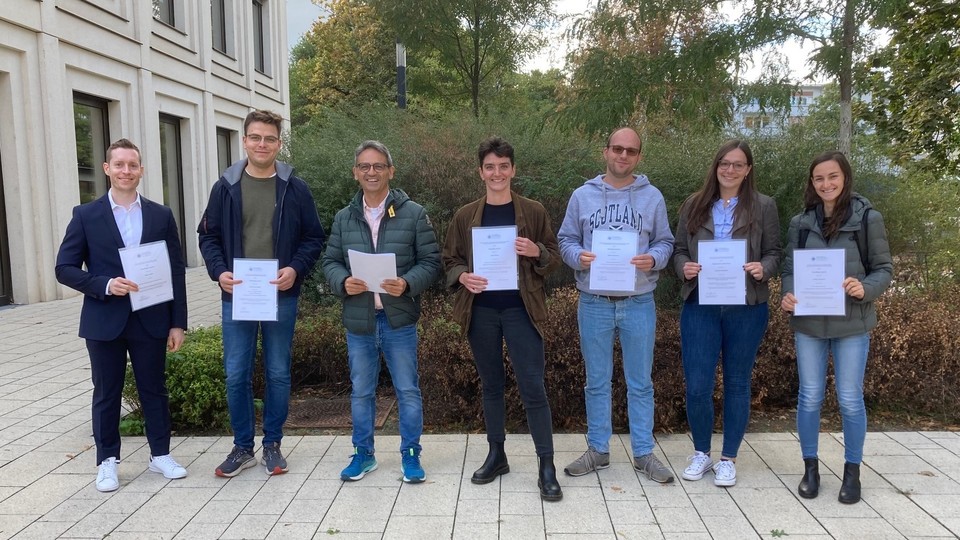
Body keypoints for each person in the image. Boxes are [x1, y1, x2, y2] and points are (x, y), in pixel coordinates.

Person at [56, 138, 189, 492]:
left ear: (141, 170)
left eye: (132, 165)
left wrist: (178, 322)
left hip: (151, 317)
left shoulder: (161, 215)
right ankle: (107, 461)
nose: (126, 171)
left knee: (154, 390)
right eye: (119, 165)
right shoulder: (85, 215)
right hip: (104, 319)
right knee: (106, 392)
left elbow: (176, 271)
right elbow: (64, 268)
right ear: (107, 168)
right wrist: (103, 284)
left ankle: (160, 454)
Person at [198, 110, 325, 477]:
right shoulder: (225, 187)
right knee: (236, 373)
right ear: (245, 140)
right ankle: (242, 447)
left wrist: (295, 269)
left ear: (279, 143)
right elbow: (208, 235)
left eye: (269, 138)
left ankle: (272, 443)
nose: (262, 144)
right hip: (238, 293)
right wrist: (219, 271)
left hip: (279, 293)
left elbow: (313, 237)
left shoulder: (294, 187)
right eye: (255, 137)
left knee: (278, 372)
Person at [442, 137, 563, 501]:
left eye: (503, 166)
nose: (497, 173)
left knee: (533, 388)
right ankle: (497, 454)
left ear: (513, 169)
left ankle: (546, 464)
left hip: (521, 310)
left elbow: (554, 257)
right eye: (490, 167)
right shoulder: (466, 215)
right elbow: (450, 259)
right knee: (491, 385)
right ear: (481, 172)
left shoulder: (533, 211)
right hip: (481, 312)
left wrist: (536, 250)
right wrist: (463, 275)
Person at [557, 127, 676, 483]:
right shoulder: (582, 195)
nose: (623, 156)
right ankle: (598, 450)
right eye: (617, 149)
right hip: (594, 302)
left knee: (640, 382)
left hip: (638, 302)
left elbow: (666, 242)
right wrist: (579, 256)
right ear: (605, 151)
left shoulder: (652, 197)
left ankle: (643, 453)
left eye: (631, 151)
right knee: (597, 381)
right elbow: (565, 239)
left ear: (639, 156)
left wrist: (653, 259)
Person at [321, 140, 441, 484]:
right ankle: (364, 454)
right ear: (355, 173)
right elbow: (329, 262)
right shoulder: (344, 218)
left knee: (407, 390)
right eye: (364, 166)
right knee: (361, 391)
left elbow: (432, 262)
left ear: (391, 171)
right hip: (359, 320)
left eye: (378, 166)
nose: (371, 172)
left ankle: (411, 453)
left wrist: (408, 283)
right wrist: (342, 281)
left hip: (398, 318)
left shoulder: (414, 213)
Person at [781, 151, 893, 504]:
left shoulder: (867, 219)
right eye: (819, 178)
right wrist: (788, 295)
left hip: (851, 324)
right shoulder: (800, 223)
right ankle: (810, 468)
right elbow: (789, 269)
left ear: (845, 178)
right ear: (812, 183)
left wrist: (866, 289)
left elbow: (884, 269)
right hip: (810, 324)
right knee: (810, 397)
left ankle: (852, 472)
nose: (826, 184)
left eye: (832, 177)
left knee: (849, 399)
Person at [671, 140, 781, 487]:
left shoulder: (764, 206)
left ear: (748, 170)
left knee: (737, 383)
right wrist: (683, 267)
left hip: (746, 306)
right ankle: (702, 452)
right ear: (715, 166)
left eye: (738, 164)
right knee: (698, 385)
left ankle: (728, 458)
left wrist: (764, 268)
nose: (730, 170)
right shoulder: (694, 204)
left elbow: (776, 252)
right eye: (724, 163)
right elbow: (677, 250)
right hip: (700, 303)